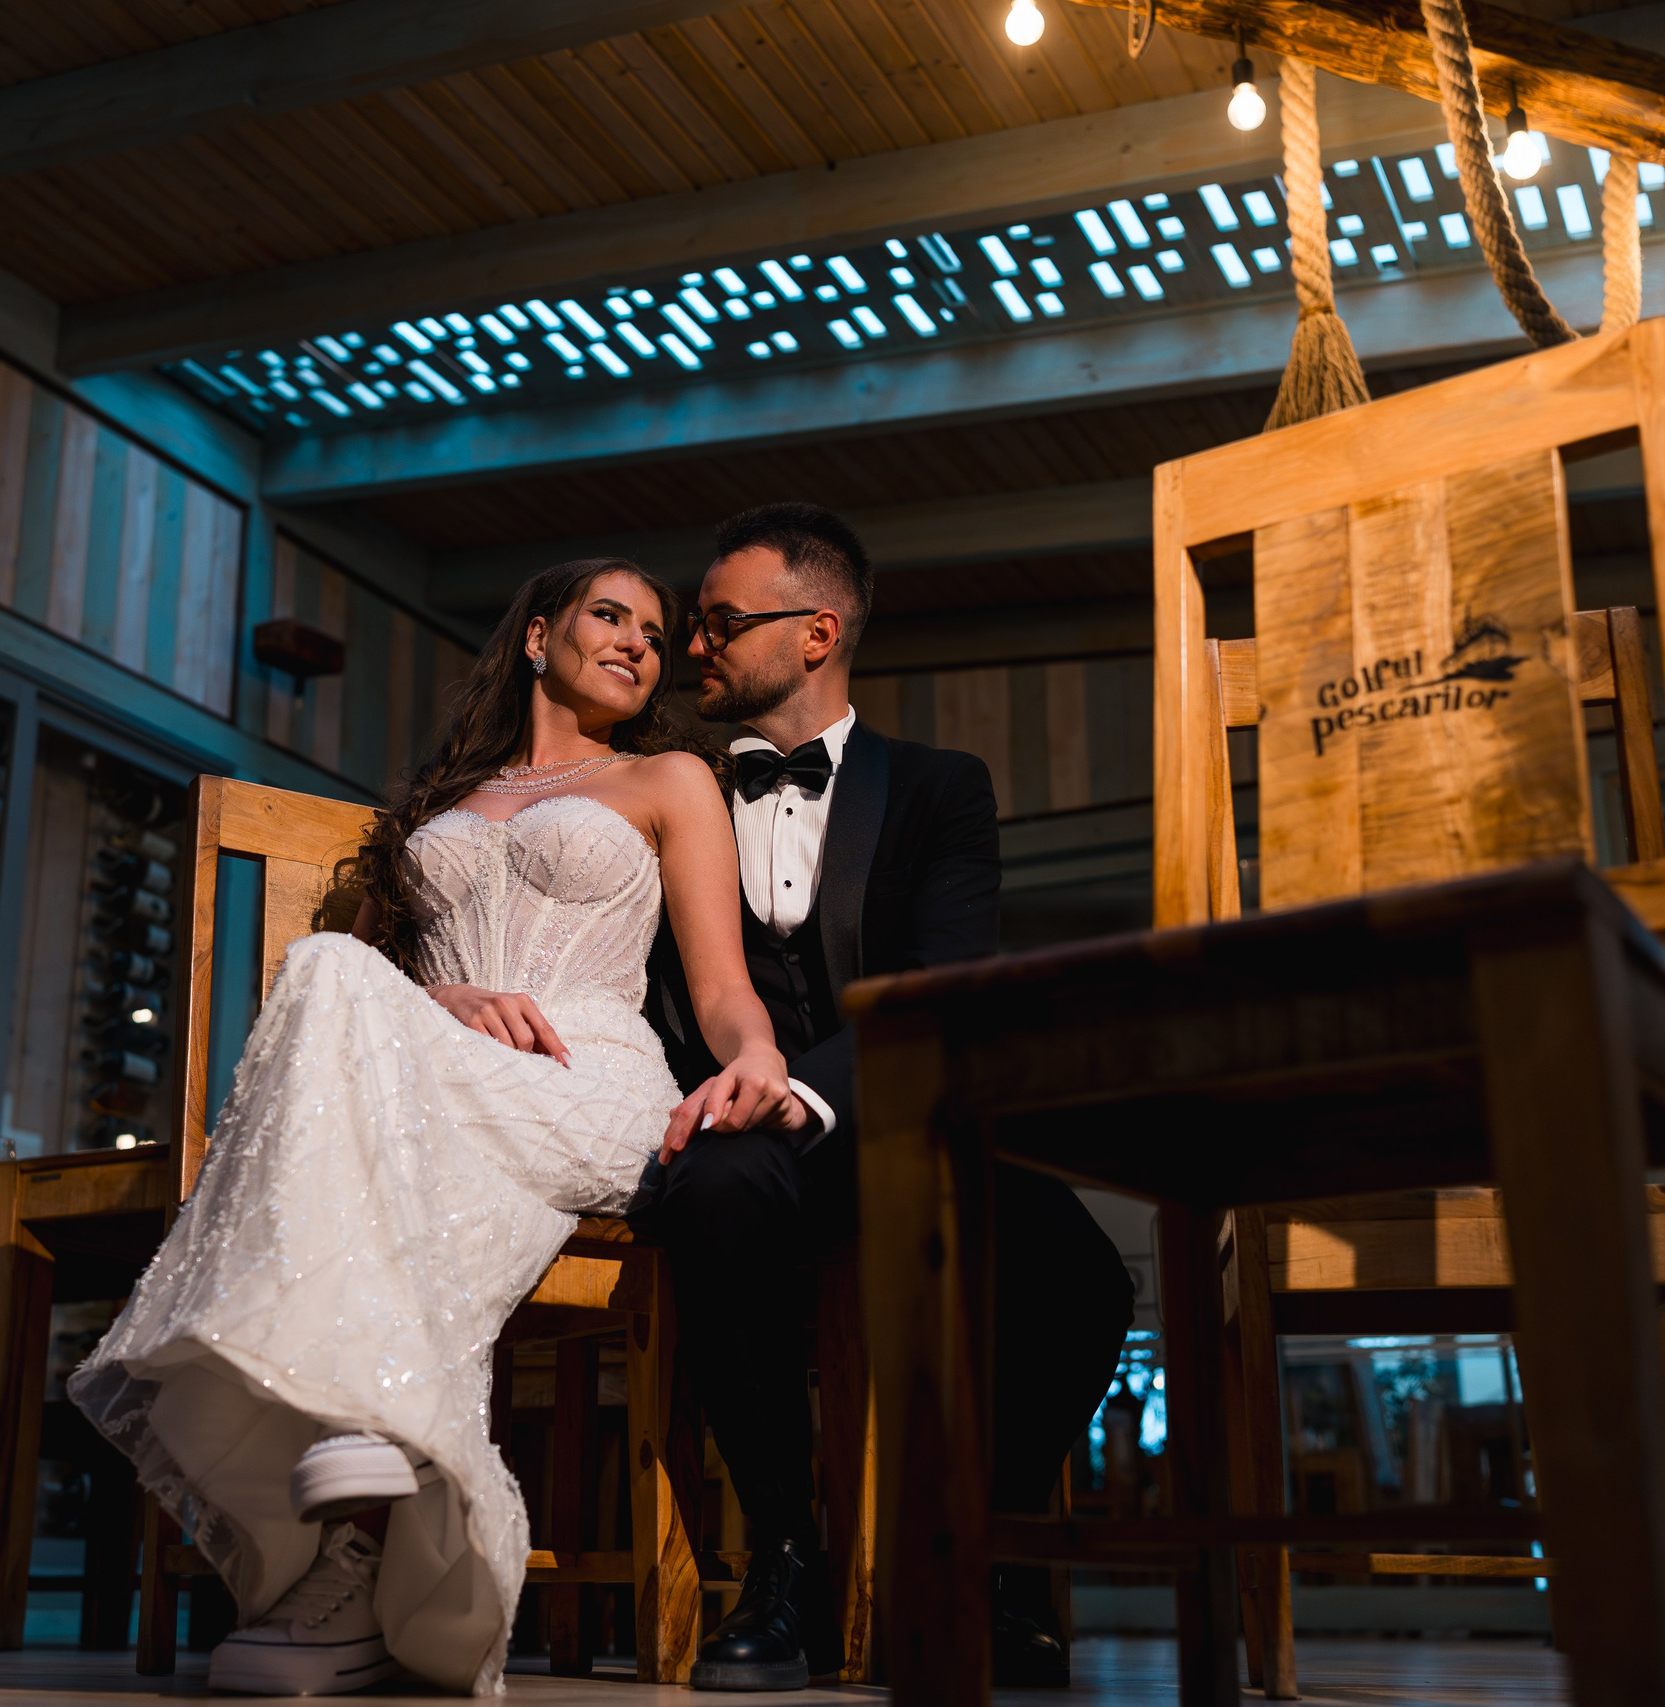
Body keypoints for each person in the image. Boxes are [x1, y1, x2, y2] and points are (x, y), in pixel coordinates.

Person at [71, 558, 796, 1697]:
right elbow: (358, 982)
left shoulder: (667, 778)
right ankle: (354, 1529)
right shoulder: (432, 807)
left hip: (585, 1075)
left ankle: (346, 1480)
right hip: (440, 1071)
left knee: (331, 982)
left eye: (655, 635)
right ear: (536, 634)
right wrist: (441, 999)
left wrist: (755, 1054)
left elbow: (717, 985)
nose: (637, 644)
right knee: (326, 964)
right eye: (610, 617)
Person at [634, 503, 1137, 1690]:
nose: (693, 646)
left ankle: (990, 1555)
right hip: (731, 1131)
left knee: (1079, 1274)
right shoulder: (670, 790)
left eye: (719, 622)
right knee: (713, 1190)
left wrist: (802, 1091)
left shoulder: (938, 790)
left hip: (906, 1120)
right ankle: (785, 1564)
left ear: (816, 633)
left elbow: (940, 986)